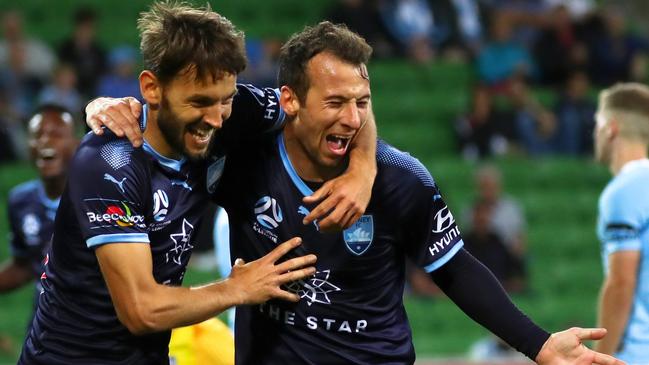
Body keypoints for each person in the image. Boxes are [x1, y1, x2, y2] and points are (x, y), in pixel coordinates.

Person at [91, 21, 624, 365]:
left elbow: (456, 269)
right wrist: (108, 109)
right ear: (289, 102)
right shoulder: (243, 145)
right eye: (336, 102)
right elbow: (180, 111)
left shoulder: (400, 179)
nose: (352, 117)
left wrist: (538, 344)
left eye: (363, 102)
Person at [19, 3, 377, 364]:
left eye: (225, 99)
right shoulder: (109, 161)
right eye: (200, 102)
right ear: (152, 88)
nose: (216, 118)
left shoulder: (229, 114)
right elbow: (141, 310)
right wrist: (235, 288)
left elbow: (345, 99)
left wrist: (363, 171)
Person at [0, 104, 78, 353]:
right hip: (44, 327)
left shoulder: (96, 198)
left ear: (76, 145)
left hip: (92, 325)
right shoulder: (20, 200)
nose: (46, 140)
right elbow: (26, 263)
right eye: (38, 134)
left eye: (56, 134)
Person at [592, 82, 649, 364]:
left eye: (597, 124)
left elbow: (621, 282)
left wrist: (603, 358)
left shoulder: (624, 191)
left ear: (610, 127)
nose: (595, 133)